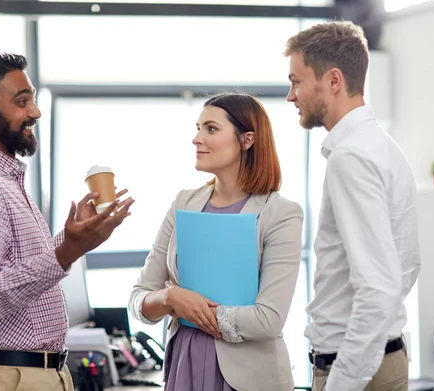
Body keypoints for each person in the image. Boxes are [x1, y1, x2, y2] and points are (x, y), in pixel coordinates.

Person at [0, 52, 134, 391]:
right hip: (12, 377)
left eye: (32, 99)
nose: (35, 111)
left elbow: (21, 269)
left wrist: (74, 238)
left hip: (35, 374)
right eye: (22, 101)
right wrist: (66, 254)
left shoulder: (3, 179)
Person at [128, 92, 304, 391]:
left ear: (246, 140)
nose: (197, 139)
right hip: (185, 366)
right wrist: (171, 298)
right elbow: (138, 298)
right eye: (198, 128)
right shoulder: (183, 203)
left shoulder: (281, 214)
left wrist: (190, 308)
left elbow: (268, 319)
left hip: (249, 378)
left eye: (210, 129)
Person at [284, 21, 421, 391]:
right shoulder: (381, 147)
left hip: (356, 369)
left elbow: (380, 286)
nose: (290, 96)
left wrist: (342, 382)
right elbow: (405, 266)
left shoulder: (352, 157)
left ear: (333, 80)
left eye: (296, 82)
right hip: (378, 359)